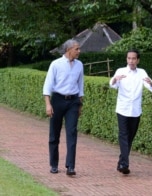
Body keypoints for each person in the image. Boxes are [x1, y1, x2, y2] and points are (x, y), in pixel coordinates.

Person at [109, 49, 152, 174]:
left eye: (133, 58)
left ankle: (121, 163)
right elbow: (112, 84)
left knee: (130, 137)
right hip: (122, 109)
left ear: (137, 60)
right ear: (126, 59)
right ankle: (125, 164)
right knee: (123, 135)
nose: (131, 61)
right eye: (129, 58)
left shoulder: (141, 72)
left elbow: (151, 87)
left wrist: (151, 83)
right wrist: (115, 80)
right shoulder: (120, 71)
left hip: (136, 110)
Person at [43, 39, 84, 176]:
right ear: (69, 50)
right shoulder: (56, 64)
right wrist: (48, 104)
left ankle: (70, 166)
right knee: (54, 134)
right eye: (77, 49)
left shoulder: (79, 65)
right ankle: (54, 164)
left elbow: (80, 86)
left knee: (72, 132)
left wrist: (80, 105)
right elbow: (48, 85)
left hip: (73, 101)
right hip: (58, 100)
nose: (79, 51)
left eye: (79, 49)